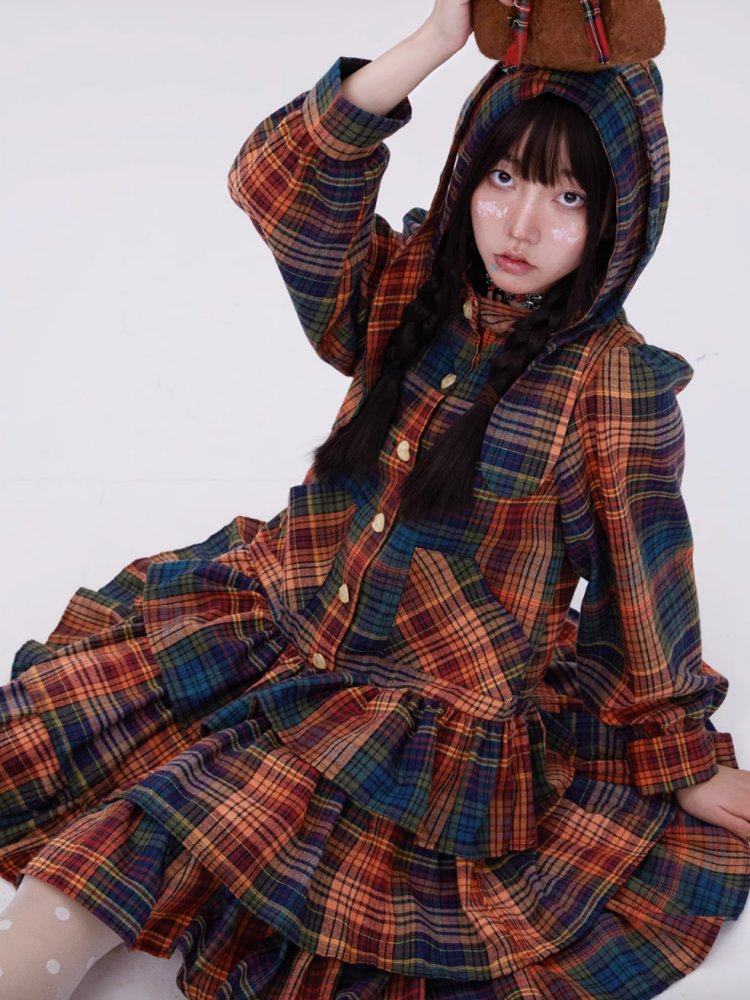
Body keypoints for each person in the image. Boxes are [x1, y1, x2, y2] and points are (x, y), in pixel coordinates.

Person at [0, 1, 748, 997]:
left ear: (619, 218)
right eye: (505, 176)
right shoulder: (407, 289)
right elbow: (275, 181)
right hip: (279, 622)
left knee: (154, 832)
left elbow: (641, 586)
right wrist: (436, 40)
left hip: (417, 713)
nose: (522, 225)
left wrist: (680, 758)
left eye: (568, 196)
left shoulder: (610, 385)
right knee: (78, 786)